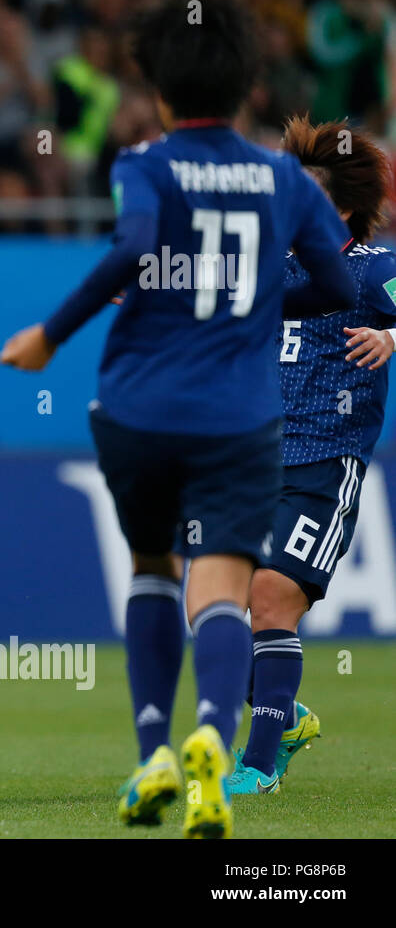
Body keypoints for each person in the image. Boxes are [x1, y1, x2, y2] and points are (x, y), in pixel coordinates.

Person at [0, 0, 357, 838]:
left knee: (154, 568)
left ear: (158, 90)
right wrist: (263, 303)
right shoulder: (286, 181)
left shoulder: (144, 165)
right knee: (224, 593)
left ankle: (155, 749)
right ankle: (210, 738)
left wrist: (51, 335)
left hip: (140, 407)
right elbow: (341, 289)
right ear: (247, 89)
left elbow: (129, 249)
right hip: (241, 418)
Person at [229, 117, 396, 795]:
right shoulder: (274, 268)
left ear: (346, 205)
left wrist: (394, 342)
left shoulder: (376, 270)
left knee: (271, 599)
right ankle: (285, 717)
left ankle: (259, 765)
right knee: (210, 610)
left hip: (324, 463)